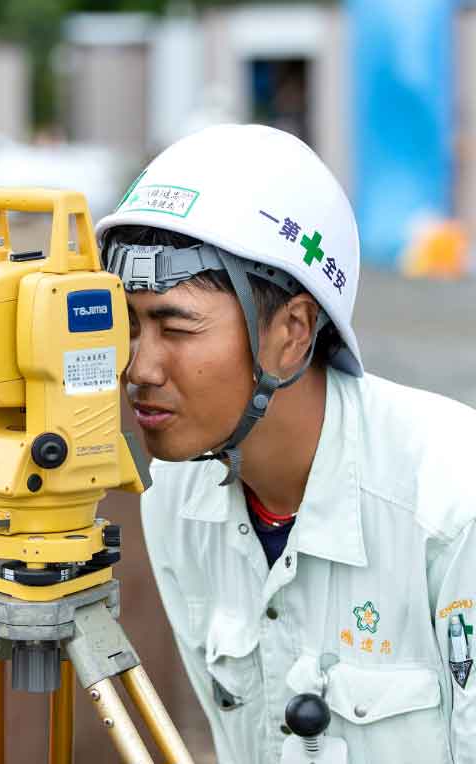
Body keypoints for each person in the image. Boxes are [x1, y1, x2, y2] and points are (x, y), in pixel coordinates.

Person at [95, 124, 476, 764]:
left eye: (176, 327)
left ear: (293, 330)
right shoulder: (175, 497)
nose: (140, 368)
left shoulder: (453, 498)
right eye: (128, 325)